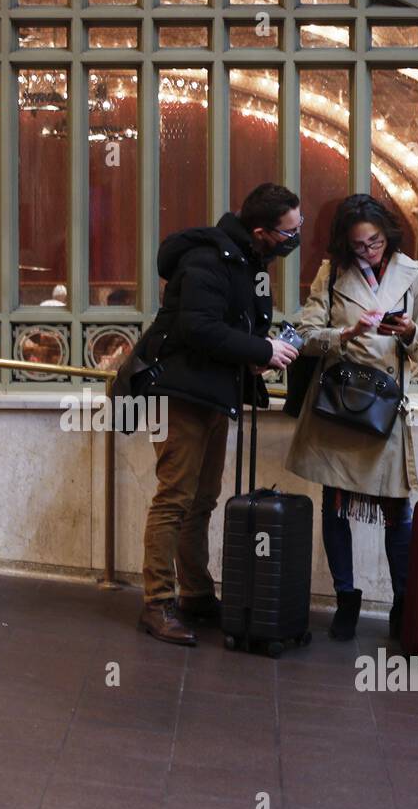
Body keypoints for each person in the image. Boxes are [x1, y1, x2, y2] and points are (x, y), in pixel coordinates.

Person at [120, 183, 302, 646]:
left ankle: (196, 594)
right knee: (174, 499)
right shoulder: (209, 257)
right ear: (262, 231)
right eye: (289, 231)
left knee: (202, 499)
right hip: (179, 393)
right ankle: (157, 603)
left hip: (212, 392)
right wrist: (261, 348)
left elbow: (231, 327)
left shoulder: (248, 260)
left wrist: (256, 356)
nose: (295, 238)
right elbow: (198, 327)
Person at [284, 194, 418, 641]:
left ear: (388, 234)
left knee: (398, 512)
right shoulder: (332, 275)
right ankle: (346, 598)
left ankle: (402, 604)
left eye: (374, 242)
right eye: (358, 245)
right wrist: (345, 334)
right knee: (335, 507)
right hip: (341, 403)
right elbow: (305, 334)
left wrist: (409, 332)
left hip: (385, 407)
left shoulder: (416, 274)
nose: (368, 251)